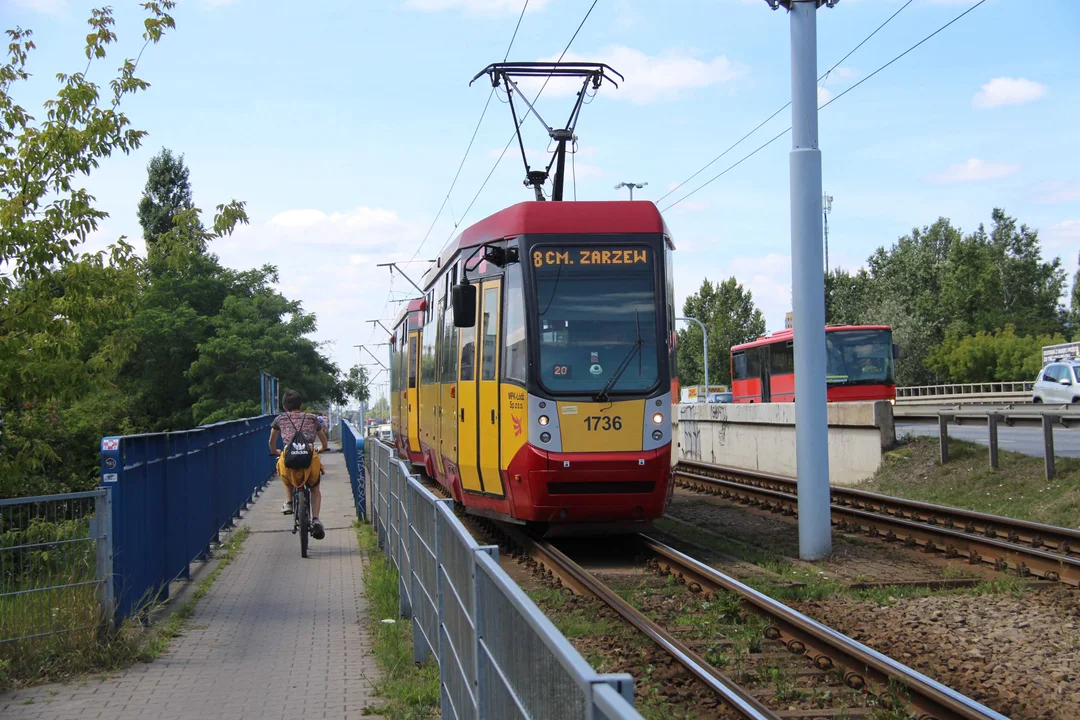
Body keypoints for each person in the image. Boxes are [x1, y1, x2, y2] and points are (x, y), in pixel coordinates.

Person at [269, 390, 328, 539]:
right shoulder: (312, 418)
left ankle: (289, 502)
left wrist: (275, 451)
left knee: (285, 474)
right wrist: (321, 449)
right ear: (301, 405)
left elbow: (272, 441)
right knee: (314, 488)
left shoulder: (280, 419)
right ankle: (315, 519)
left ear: (284, 406)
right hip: (308, 454)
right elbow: (324, 441)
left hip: (289, 454)